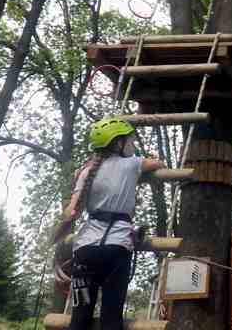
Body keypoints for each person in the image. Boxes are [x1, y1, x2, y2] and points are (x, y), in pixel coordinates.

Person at [51, 117, 165, 330]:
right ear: (118, 143)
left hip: (84, 252)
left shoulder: (86, 171)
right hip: (116, 249)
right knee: (111, 318)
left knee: (79, 317)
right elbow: (158, 164)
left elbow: (71, 211)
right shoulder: (132, 164)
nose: (132, 144)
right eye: (130, 140)